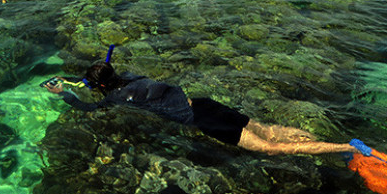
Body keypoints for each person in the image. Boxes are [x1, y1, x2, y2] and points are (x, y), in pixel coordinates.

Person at [43, 61, 355, 156]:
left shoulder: (113, 98)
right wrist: (76, 81)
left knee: (271, 148)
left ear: (100, 86)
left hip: (199, 119)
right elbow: (97, 83)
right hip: (204, 103)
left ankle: (346, 148)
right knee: (266, 128)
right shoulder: (134, 77)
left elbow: (88, 109)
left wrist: (64, 95)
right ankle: (324, 141)